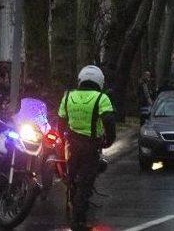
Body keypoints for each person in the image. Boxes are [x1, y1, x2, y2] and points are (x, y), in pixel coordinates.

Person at [58, 65, 116, 231]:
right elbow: (109, 121)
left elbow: (60, 121)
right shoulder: (102, 98)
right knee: (86, 184)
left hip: (72, 145)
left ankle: (70, 197)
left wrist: (64, 139)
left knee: (72, 177)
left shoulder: (68, 96)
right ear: (100, 81)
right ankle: (78, 222)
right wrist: (109, 141)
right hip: (91, 146)